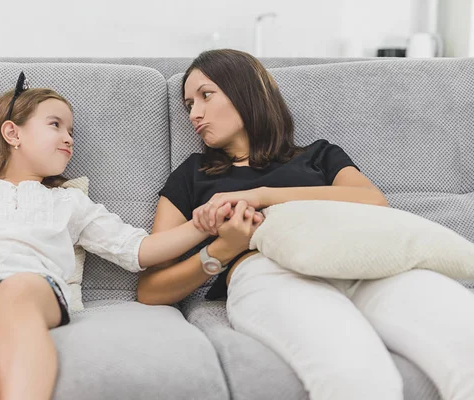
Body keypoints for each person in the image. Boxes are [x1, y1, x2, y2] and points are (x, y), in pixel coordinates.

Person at [0, 72, 261, 400]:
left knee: (16, 292)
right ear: (12, 132)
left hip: (29, 285)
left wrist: (201, 226)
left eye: (71, 131)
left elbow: (138, 249)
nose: (68, 138)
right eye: (55, 125)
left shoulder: (69, 202)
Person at [137, 49, 474, 400]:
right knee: (358, 377)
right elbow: (150, 289)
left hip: (366, 264)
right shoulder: (193, 174)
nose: (195, 113)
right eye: (189, 104)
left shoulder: (319, 155)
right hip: (271, 273)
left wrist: (261, 195)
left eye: (206, 96)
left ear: (248, 91)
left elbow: (373, 202)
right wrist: (223, 250)